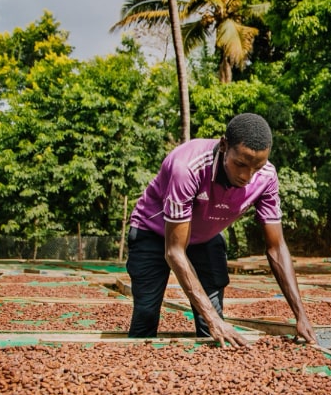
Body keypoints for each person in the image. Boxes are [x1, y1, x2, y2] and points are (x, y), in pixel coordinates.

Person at [126, 113, 317, 347]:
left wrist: (301, 315)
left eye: (256, 167)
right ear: (224, 145)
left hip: (205, 238)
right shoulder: (188, 167)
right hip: (154, 234)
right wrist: (214, 319)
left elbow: (276, 248)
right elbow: (174, 251)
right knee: (146, 313)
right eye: (240, 164)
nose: (247, 176)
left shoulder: (266, 176)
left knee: (211, 324)